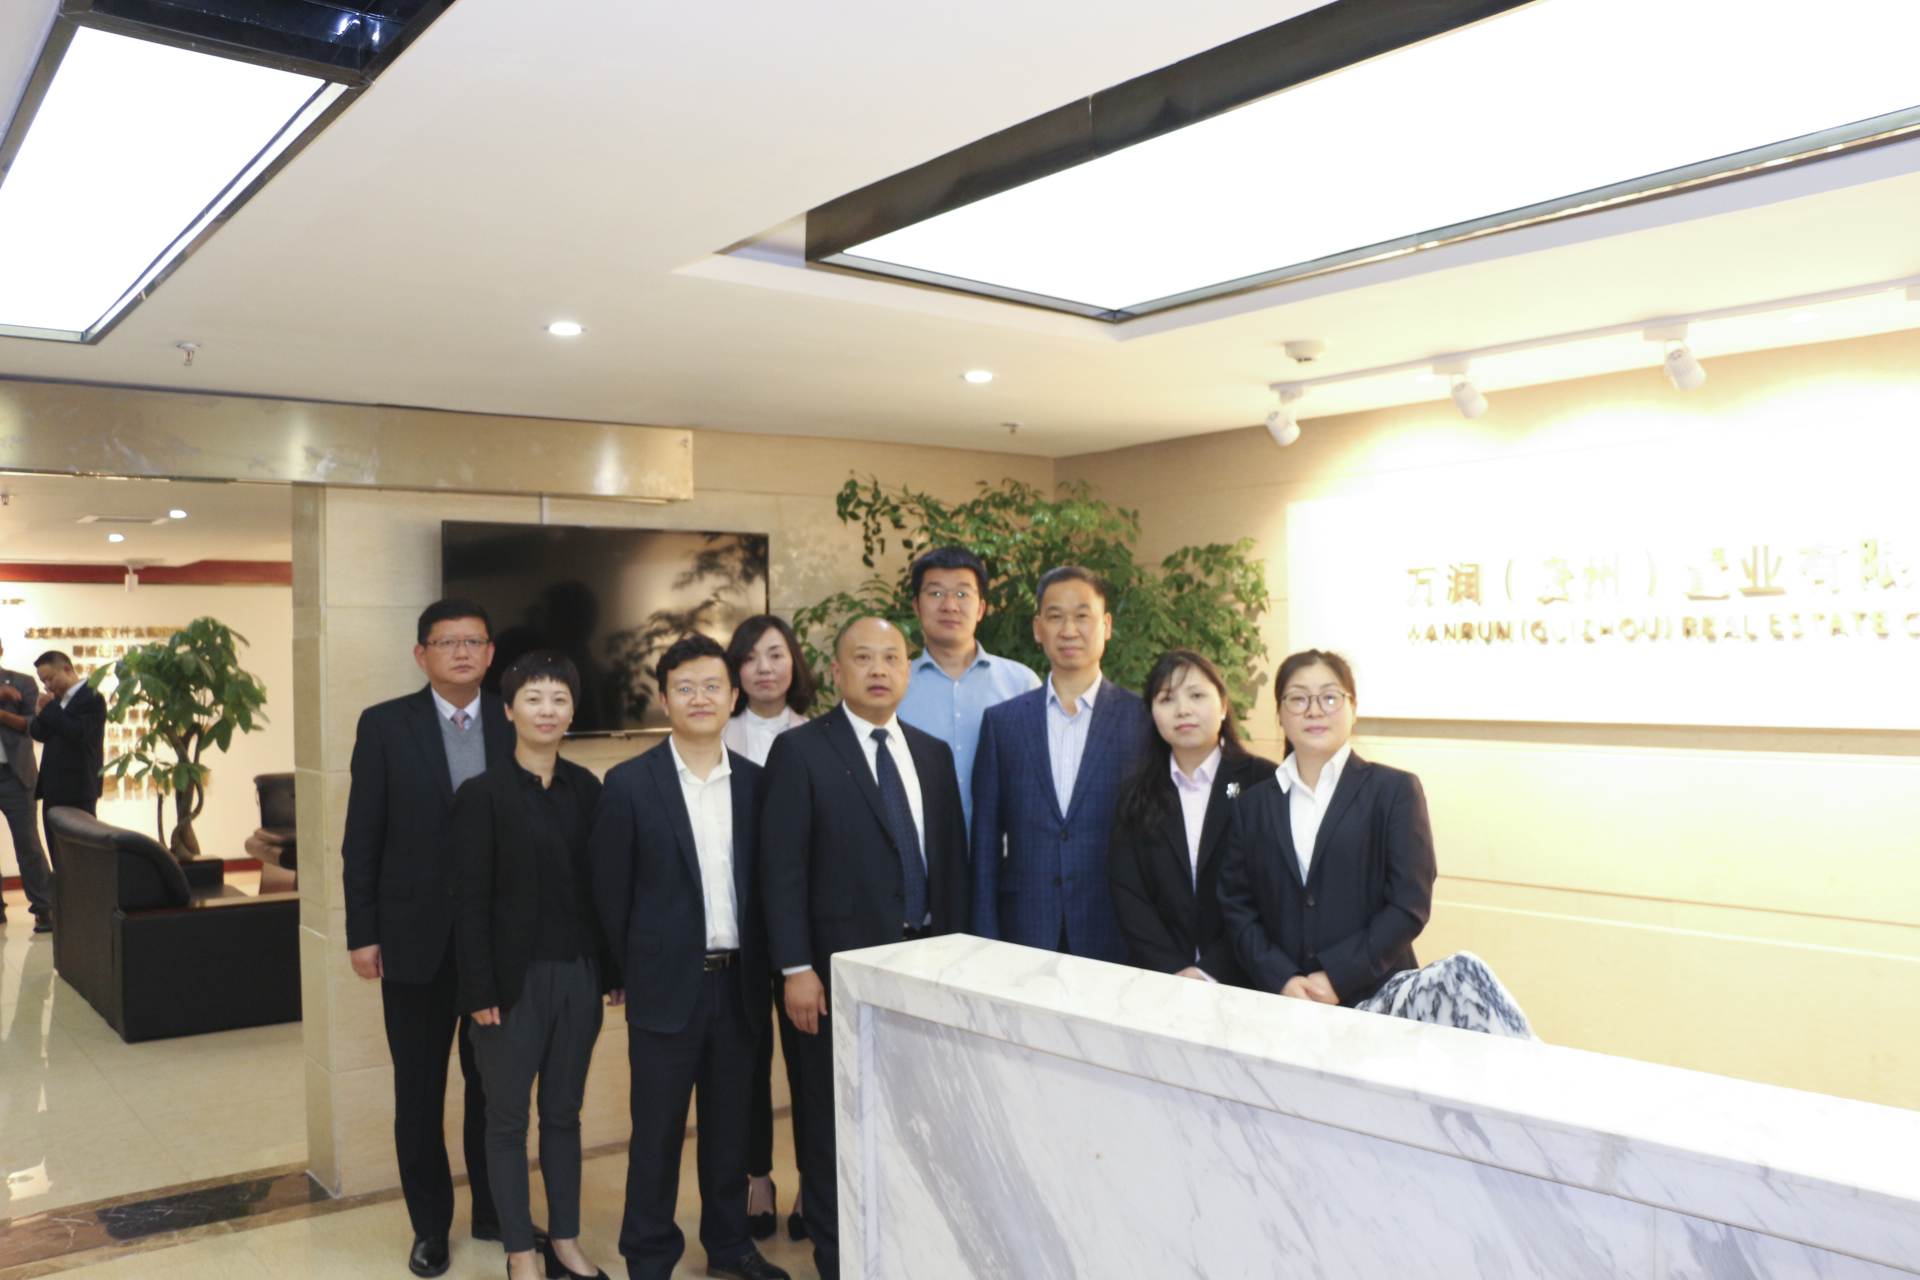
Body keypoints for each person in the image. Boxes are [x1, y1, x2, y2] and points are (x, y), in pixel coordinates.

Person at [760, 617, 970, 1280]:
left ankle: (903, 1241)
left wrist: (960, 961)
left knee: (915, 1112)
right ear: (837, 670)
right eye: (863, 658)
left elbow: (952, 866)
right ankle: (836, 1254)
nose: (878, 669)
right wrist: (797, 968)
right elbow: (781, 870)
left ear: (907, 670)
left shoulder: (933, 753)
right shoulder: (801, 751)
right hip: (834, 975)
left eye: (891, 658)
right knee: (831, 1117)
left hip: (923, 966)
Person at [589, 635, 789, 1280]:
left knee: (731, 1130)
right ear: (664, 698)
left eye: (711, 686)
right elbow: (609, 892)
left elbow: (773, 887)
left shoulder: (759, 785)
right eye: (685, 687)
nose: (699, 698)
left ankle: (729, 1247)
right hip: (663, 986)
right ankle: (649, 1256)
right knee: (657, 1134)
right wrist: (621, 973)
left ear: (733, 697)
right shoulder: (628, 784)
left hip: (739, 985)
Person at [341, 599, 513, 1278]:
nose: (462, 653)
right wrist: (363, 932)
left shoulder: (513, 718)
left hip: (496, 944)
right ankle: (430, 1227)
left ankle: (494, 1211)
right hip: (414, 941)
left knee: (492, 1089)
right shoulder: (385, 724)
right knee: (419, 1094)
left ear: (491, 653)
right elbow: (362, 837)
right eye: (447, 643)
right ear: (422, 655)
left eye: (473, 641)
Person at [453, 650, 621, 1280]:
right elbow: (468, 902)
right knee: (506, 1121)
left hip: (578, 974)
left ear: (572, 712)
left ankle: (567, 1243)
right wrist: (478, 989)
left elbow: (603, 888)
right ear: (508, 710)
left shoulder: (588, 789)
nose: (546, 710)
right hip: (509, 984)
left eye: (559, 699)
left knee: (563, 1115)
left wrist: (612, 970)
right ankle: (521, 1252)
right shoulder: (482, 795)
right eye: (533, 698)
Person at [1216, 649, 1436, 1008]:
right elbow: (1236, 905)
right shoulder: (1252, 805)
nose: (1314, 710)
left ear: (1353, 708)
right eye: (1298, 698)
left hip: (1375, 999)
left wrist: (1338, 977)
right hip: (1280, 1001)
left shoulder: (1394, 791)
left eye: (1330, 698)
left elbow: (1409, 903)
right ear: (1280, 714)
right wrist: (1280, 977)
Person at [970, 565, 1144, 962]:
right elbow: (985, 845)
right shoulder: (1002, 723)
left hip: (1116, 929)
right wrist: (984, 941)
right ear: (1038, 628)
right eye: (1055, 616)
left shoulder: (1142, 720)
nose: (1069, 630)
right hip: (1024, 928)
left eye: (1082, 616)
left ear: (1106, 625)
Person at [719, 615, 811, 1245]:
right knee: (747, 1063)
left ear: (794, 663)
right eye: (750, 657)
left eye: (775, 654)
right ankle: (758, 1178)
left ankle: (812, 1179)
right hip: (739, 929)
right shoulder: (716, 734)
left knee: (808, 1066)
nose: (764, 668)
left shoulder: (822, 734)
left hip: (804, 931)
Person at [1107, 650, 1276, 986]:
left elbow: (1270, 890)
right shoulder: (1135, 793)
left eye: (1197, 695)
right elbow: (1128, 893)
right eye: (1167, 699)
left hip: (1246, 978)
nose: (1182, 709)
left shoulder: (1264, 782)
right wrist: (1174, 971)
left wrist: (1210, 969)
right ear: (1152, 713)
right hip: (1158, 980)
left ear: (1223, 705)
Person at [895, 546, 1041, 831]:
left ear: (981, 609)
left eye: (962, 594)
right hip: (919, 847)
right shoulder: (895, 685)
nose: (950, 605)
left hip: (1003, 847)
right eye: (936, 593)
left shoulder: (1022, 684)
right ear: (916, 606)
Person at [29, 651, 106, 902]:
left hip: (78, 788)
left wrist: (51, 709)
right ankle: (66, 907)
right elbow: (40, 733)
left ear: (66, 669)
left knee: (81, 855)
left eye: (50, 678)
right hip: (53, 788)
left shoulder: (91, 697)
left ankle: (87, 905)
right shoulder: (57, 702)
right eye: (43, 681)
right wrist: (41, 712)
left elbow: (77, 732)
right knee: (58, 855)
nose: (48, 685)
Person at [0, 642, 51, 932]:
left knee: (28, 844)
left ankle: (44, 907)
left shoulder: (22, 682)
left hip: (15, 775)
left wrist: (2, 714)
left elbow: (34, 724)